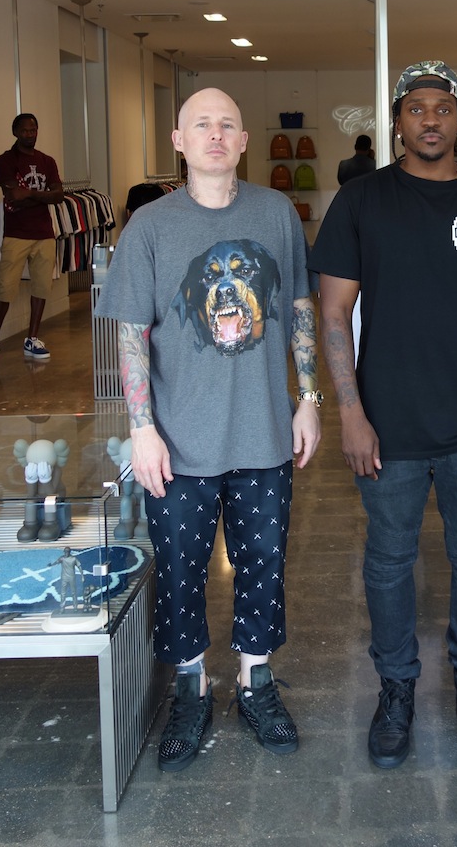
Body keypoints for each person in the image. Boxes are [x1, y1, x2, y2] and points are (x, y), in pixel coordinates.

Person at [309, 60, 457, 770]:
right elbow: (333, 314)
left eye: (444, 107)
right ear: (397, 122)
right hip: (388, 427)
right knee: (388, 563)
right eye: (416, 108)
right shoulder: (361, 201)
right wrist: (350, 414)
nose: (431, 119)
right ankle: (396, 689)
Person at [95, 87, 322, 772]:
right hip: (178, 440)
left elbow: (300, 307)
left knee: (264, 565)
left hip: (264, 432)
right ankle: (191, 689)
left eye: (227, 124)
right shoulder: (149, 226)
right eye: (202, 124)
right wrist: (142, 428)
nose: (215, 134)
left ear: (245, 140)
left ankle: (256, 681)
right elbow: (131, 334)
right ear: (179, 140)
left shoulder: (276, 213)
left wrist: (309, 398)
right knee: (180, 572)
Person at [0, 113, 64, 365]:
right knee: (6, 288)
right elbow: (13, 196)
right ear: (15, 132)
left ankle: (32, 339)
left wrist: (30, 194)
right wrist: (43, 195)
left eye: (33, 130)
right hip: (16, 234)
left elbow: (58, 196)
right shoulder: (5, 160)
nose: (30, 135)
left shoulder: (47, 161)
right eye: (25, 131)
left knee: (41, 286)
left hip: (44, 233)